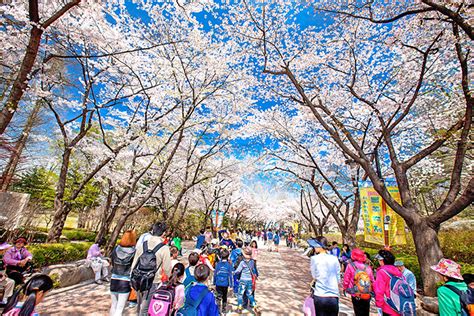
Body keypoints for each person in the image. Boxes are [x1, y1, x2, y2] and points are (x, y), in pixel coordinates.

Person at [131, 222, 172, 316]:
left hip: (138, 279)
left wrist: (132, 276)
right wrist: (170, 278)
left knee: (139, 305)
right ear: (163, 233)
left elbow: (134, 263)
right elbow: (166, 268)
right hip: (152, 281)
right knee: (145, 308)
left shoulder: (143, 244)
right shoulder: (164, 248)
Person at [309, 236, 341, 316]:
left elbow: (314, 276)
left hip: (320, 295)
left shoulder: (314, 259)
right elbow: (338, 277)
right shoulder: (334, 258)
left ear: (320, 246)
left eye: (315, 246)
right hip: (333, 296)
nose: (314, 247)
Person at [373, 249, 411, 316]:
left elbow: (379, 290)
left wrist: (379, 304)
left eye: (379, 260)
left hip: (388, 306)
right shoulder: (398, 272)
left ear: (382, 260)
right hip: (400, 305)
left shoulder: (382, 272)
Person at [109, 230, 136, 316]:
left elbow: (112, 262)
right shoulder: (134, 251)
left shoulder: (116, 249)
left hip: (114, 279)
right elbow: (134, 266)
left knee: (113, 306)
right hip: (125, 281)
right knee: (120, 308)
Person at [343, 248, 375, 316]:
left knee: (358, 311)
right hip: (366, 293)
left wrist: (345, 288)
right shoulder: (368, 267)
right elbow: (372, 280)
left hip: (355, 293)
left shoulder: (350, 266)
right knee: (366, 312)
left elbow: (346, 279)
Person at [235, 247, 259, 313]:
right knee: (249, 294)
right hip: (249, 280)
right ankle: (255, 306)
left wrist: (233, 272)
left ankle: (239, 307)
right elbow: (254, 270)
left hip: (243, 280)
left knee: (240, 294)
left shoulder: (242, 262)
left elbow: (238, 271)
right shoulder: (252, 262)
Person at [213, 249, 233, 313]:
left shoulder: (218, 264)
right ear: (228, 256)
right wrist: (231, 285)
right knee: (224, 297)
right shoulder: (229, 265)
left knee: (218, 297)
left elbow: (215, 274)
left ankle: (218, 311)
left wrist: (214, 282)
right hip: (225, 284)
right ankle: (224, 310)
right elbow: (230, 275)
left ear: (221, 256)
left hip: (218, 283)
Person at [0, 241, 15, 306]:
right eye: (5, 250)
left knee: (11, 282)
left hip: (2, 277)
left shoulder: (3, 258)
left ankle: (5, 299)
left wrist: (4, 275)